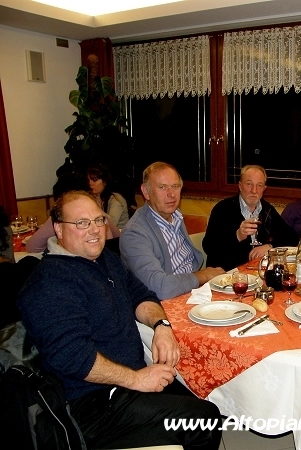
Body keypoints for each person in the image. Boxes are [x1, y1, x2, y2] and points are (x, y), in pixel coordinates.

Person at [18, 191, 221, 449]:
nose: (94, 230)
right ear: (59, 228)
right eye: (82, 223)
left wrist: (161, 326)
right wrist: (137, 380)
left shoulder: (104, 259)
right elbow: (73, 357)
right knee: (204, 419)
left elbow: (142, 295)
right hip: (88, 404)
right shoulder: (50, 282)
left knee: (198, 390)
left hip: (124, 384)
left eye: (98, 220)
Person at [120, 162, 224, 299]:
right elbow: (160, 288)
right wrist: (203, 275)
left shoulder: (175, 215)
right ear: (146, 192)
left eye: (175, 186)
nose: (171, 194)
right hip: (166, 301)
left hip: (193, 291)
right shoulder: (134, 234)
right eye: (162, 187)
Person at [203, 165, 298, 271]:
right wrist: (237, 236)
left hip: (257, 271)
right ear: (240, 186)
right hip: (227, 272)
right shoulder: (223, 209)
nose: (254, 190)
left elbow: (292, 238)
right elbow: (209, 247)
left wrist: (270, 246)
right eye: (249, 184)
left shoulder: (267, 210)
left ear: (264, 189)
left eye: (259, 185)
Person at [26, 172, 121, 253]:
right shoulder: (99, 213)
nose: (95, 230)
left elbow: (32, 247)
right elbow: (118, 237)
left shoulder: (64, 215)